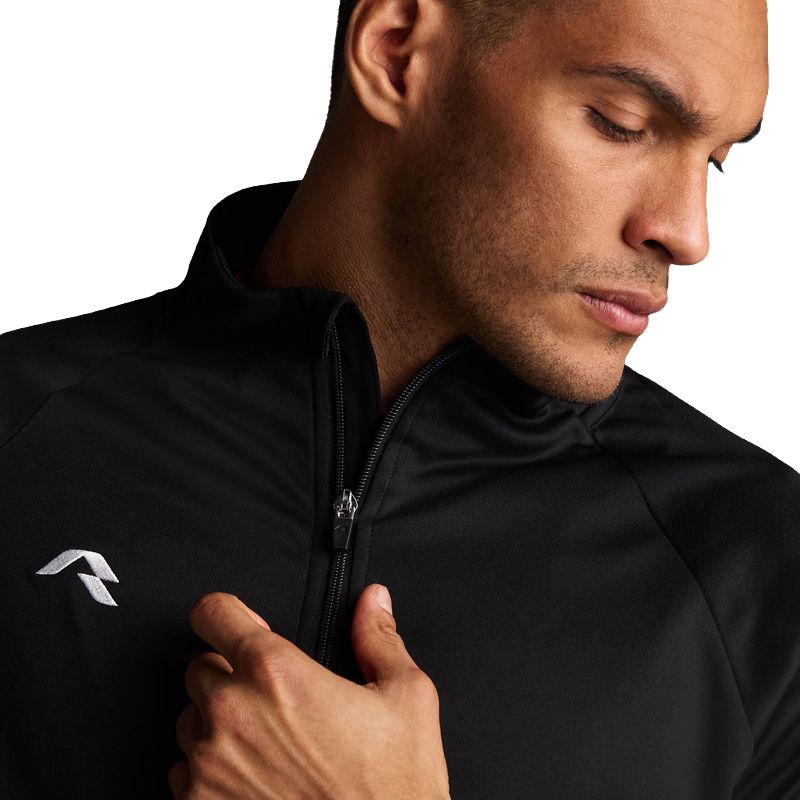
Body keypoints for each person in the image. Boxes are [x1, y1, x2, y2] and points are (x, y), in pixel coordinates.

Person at [1, 0, 797, 798]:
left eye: (716, 160)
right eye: (621, 124)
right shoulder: (20, 432)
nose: (689, 233)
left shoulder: (763, 575)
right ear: (394, 52)